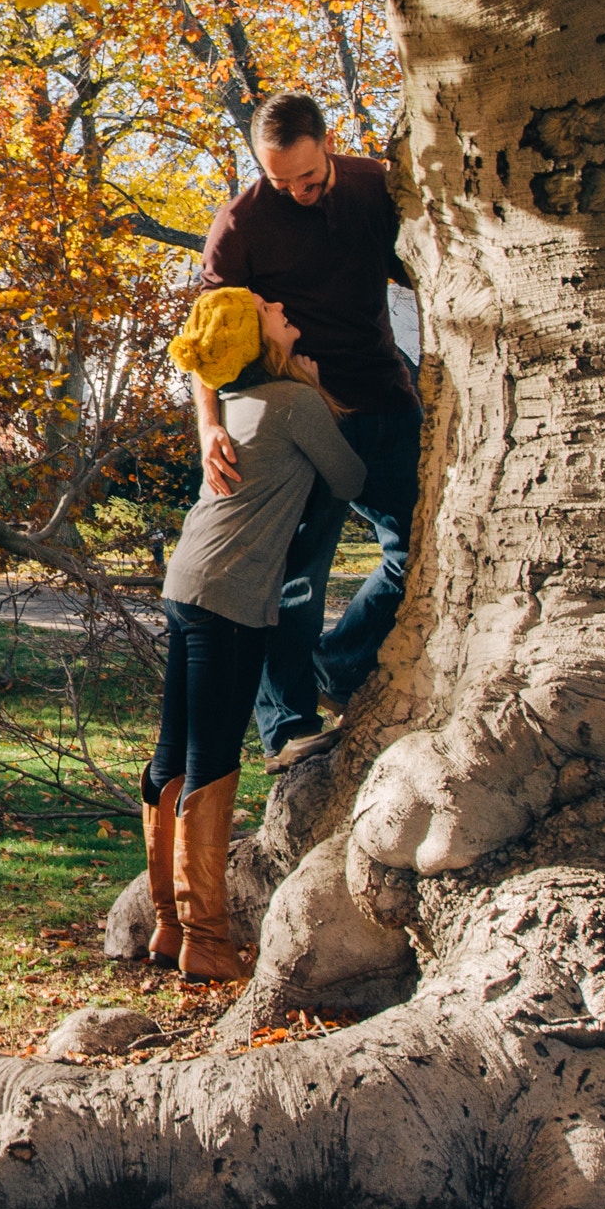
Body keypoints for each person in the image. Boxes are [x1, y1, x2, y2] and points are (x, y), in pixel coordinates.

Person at [195, 93, 421, 765]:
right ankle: (288, 726)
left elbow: (429, 274)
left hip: (382, 396)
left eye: (308, 178)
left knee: (416, 556)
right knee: (294, 578)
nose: (296, 192)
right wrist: (210, 429)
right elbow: (206, 340)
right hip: (297, 411)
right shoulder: (242, 224)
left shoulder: (373, 188)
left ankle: (336, 665)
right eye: (278, 180)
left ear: (328, 144)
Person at [147, 287, 365, 982]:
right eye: (271, 310)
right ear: (257, 336)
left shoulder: (236, 406)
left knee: (171, 752)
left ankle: (168, 924)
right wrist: (318, 389)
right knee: (211, 758)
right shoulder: (293, 403)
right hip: (231, 595)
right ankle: (207, 940)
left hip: (186, 581)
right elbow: (350, 476)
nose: (283, 307)